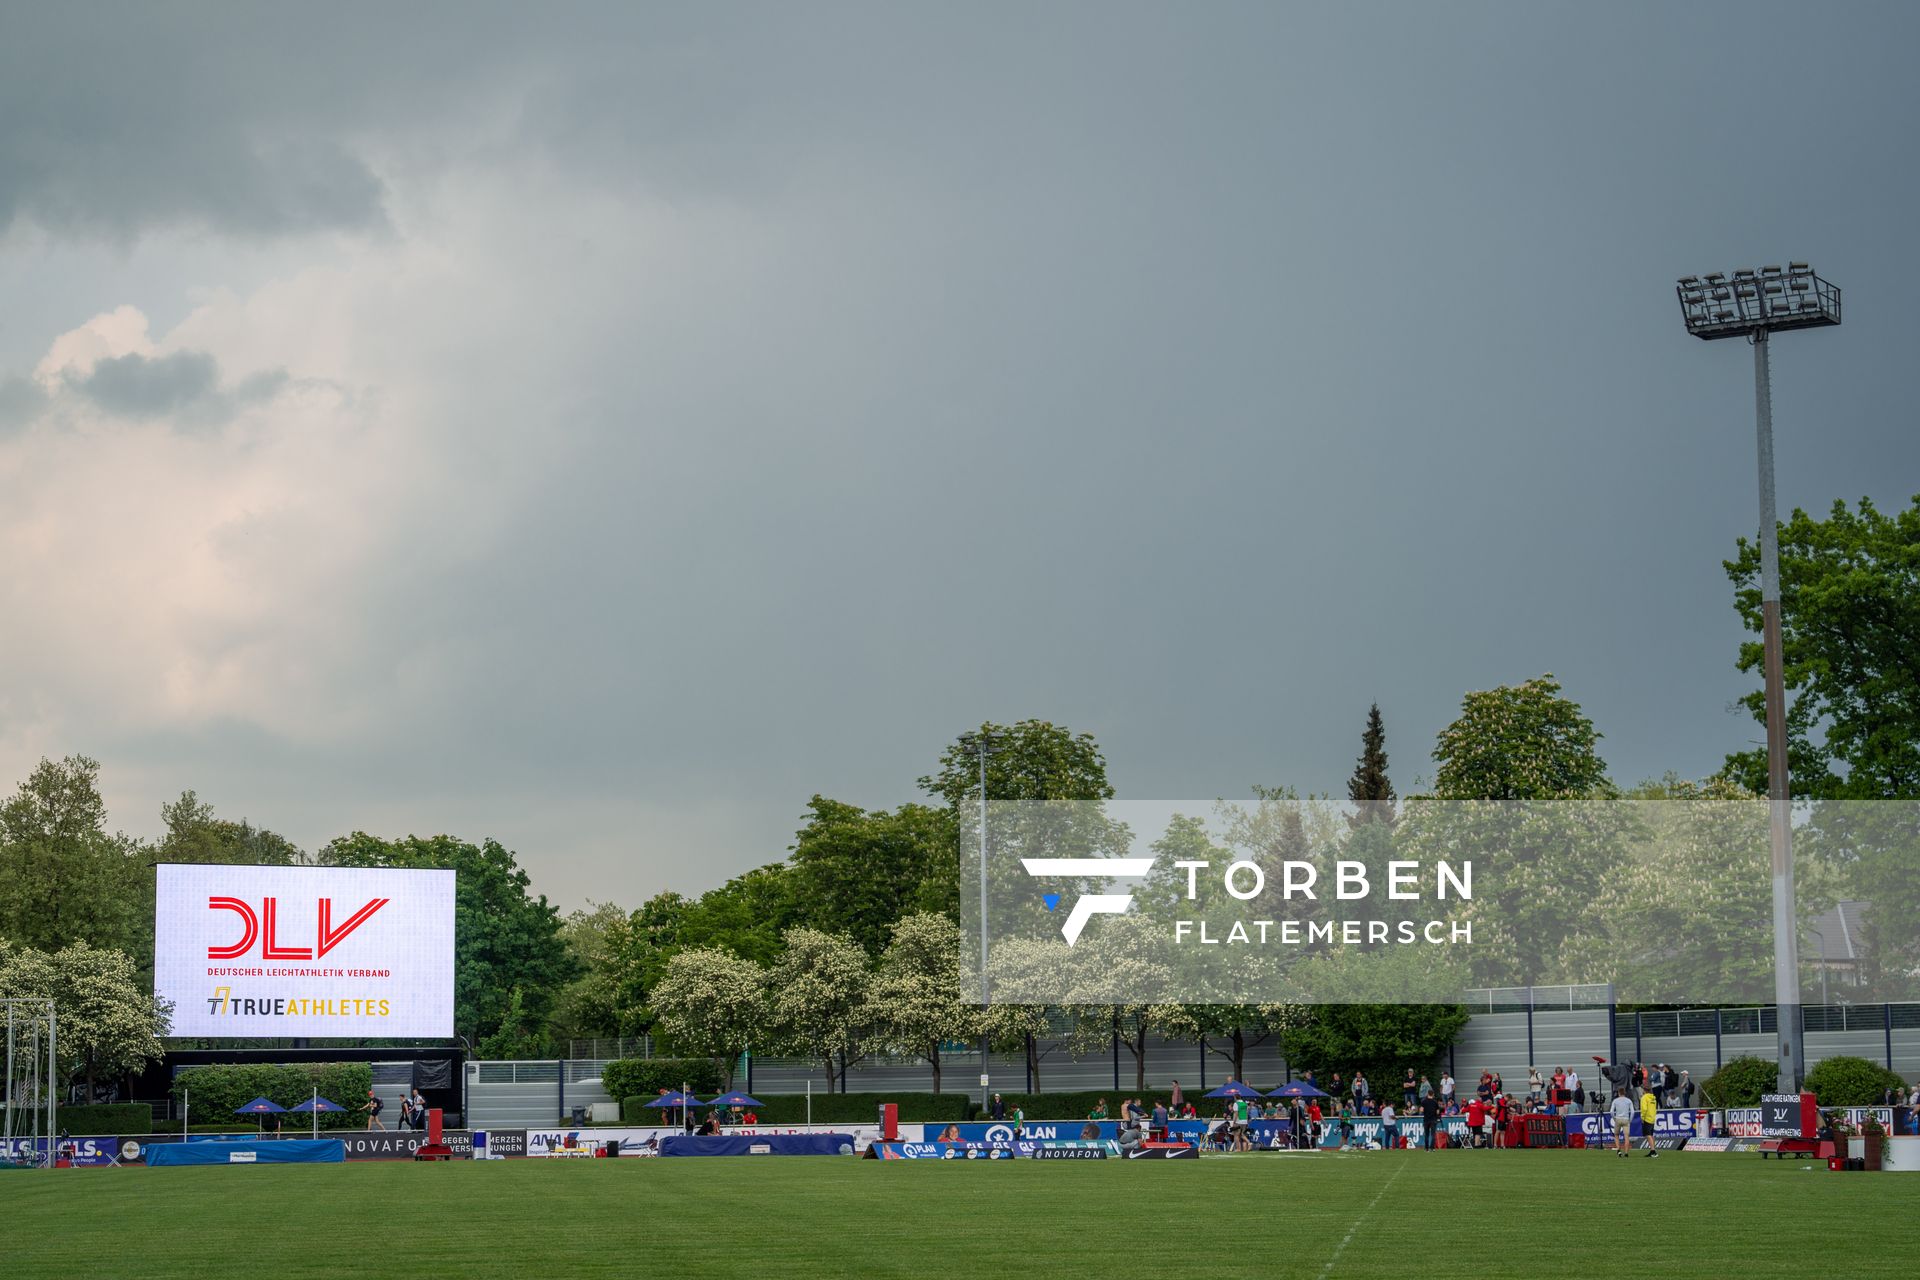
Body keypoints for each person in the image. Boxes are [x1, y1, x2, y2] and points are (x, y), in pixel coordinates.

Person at [1610, 1090, 1634, 1157]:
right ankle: (1626, 1153)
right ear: (1625, 1093)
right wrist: (1630, 1120)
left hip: (1618, 1118)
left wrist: (1614, 1118)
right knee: (1626, 1137)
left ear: (1619, 1093)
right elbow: (1632, 1112)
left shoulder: (1615, 1100)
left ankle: (1618, 1150)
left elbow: (1611, 1111)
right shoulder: (1629, 1101)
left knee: (1616, 1135)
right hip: (1626, 1119)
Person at [1638, 1086, 1660, 1157]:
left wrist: (1642, 1117)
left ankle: (1653, 1151)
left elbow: (1644, 1109)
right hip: (1652, 1117)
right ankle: (1652, 1150)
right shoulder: (1653, 1098)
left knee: (1648, 1135)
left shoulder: (1644, 1098)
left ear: (1644, 1090)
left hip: (1647, 1118)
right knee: (1650, 1135)